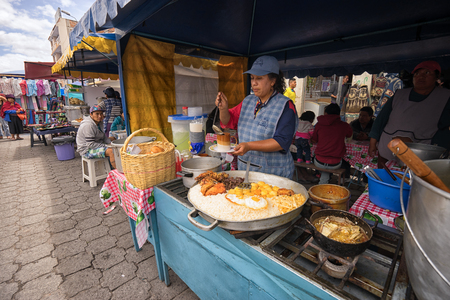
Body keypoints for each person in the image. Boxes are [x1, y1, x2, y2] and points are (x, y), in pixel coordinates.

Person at [216, 55, 298, 179]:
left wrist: (249, 146)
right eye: (252, 78)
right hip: (246, 170)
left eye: (259, 78)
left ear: (272, 81)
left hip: (273, 174)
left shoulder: (285, 106)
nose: (254, 83)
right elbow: (228, 121)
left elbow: (281, 141)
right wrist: (223, 109)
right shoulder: (248, 101)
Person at [369, 61, 450, 166]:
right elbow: (381, 119)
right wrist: (372, 142)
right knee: (385, 178)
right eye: (417, 74)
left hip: (421, 153)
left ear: (437, 76)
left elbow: (445, 128)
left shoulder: (445, 97)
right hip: (388, 148)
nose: (421, 77)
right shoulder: (399, 94)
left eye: (427, 73)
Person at [312, 103, 352, 184]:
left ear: (326, 113)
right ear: (338, 114)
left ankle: (321, 180)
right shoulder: (344, 125)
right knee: (345, 159)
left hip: (319, 162)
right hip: (336, 163)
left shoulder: (319, 125)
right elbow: (349, 135)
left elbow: (314, 140)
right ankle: (341, 179)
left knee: (313, 155)